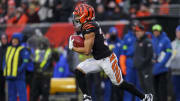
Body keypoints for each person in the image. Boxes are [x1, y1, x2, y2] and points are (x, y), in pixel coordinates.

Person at [68, 3, 153, 101]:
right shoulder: (88, 26)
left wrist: (74, 48)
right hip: (97, 59)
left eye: (78, 15)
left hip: (107, 60)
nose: (76, 17)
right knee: (78, 71)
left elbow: (87, 51)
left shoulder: (89, 27)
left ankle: (145, 97)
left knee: (119, 83)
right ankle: (87, 97)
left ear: (85, 15)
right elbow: (90, 48)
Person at [3, 33, 29, 101]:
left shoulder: (23, 50)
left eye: (16, 40)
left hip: (19, 77)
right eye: (13, 39)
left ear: (19, 40)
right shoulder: (8, 49)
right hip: (10, 77)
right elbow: (4, 60)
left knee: (22, 95)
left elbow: (25, 62)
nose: (14, 41)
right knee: (11, 95)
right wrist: (4, 68)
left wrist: (19, 70)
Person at [120, 21, 141, 101]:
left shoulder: (140, 36)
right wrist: (123, 66)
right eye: (134, 26)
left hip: (139, 61)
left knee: (139, 86)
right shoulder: (127, 37)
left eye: (136, 26)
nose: (135, 28)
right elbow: (123, 52)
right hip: (129, 61)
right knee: (129, 85)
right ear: (131, 27)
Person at [151, 24, 172, 101]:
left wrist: (161, 63)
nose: (155, 32)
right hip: (154, 69)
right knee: (154, 89)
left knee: (162, 90)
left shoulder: (166, 40)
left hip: (162, 69)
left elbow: (169, 53)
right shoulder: (153, 40)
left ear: (160, 31)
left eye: (157, 31)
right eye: (154, 31)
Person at [133, 24, 154, 94]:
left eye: (138, 31)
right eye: (136, 31)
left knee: (149, 88)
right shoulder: (137, 41)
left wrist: (141, 64)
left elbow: (149, 56)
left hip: (146, 69)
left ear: (143, 32)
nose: (137, 33)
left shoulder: (147, 41)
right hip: (139, 69)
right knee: (143, 87)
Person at [106, 27, 123, 101]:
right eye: (112, 33)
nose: (113, 34)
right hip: (108, 70)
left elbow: (122, 57)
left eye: (114, 33)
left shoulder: (120, 43)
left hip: (118, 70)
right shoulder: (105, 43)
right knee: (108, 91)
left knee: (118, 91)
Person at [170, 25, 180, 101]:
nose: (178, 33)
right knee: (176, 91)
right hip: (174, 72)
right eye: (177, 32)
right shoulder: (172, 44)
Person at [0, 34, 8, 101]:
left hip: (7, 72)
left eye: (5, 39)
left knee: (7, 89)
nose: (4, 40)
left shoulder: (9, 48)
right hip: (0, 71)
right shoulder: (0, 48)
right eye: (2, 39)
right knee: (1, 89)